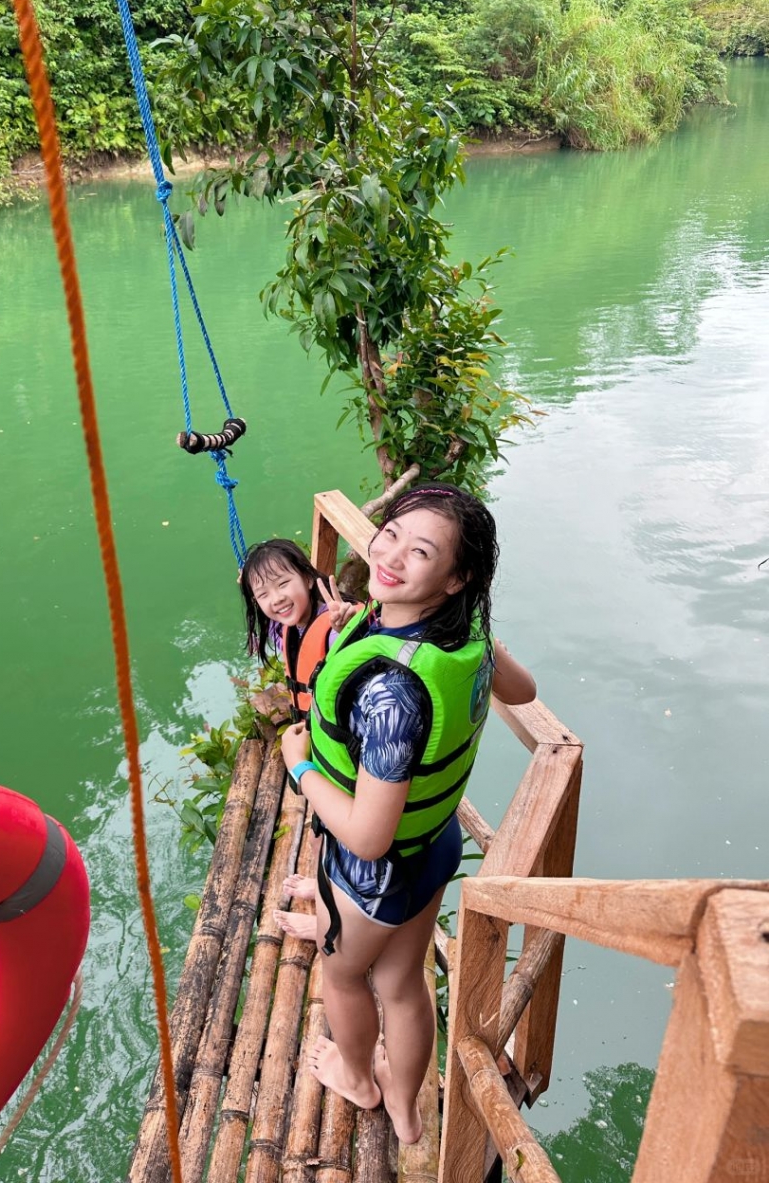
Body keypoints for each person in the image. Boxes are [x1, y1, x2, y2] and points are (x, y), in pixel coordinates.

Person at [277, 484, 535, 1144]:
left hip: (375, 871)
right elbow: (522, 690)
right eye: (389, 533)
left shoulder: (392, 694)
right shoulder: (462, 628)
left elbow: (366, 834)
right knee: (400, 980)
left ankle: (361, 1079)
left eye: (419, 551)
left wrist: (301, 765)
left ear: (455, 578)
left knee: (344, 975)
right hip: (434, 846)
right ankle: (407, 1110)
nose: (388, 554)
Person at [239, 538, 359, 722]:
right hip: (315, 725)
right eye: (263, 594)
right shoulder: (288, 629)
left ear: (308, 579)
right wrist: (247, 583)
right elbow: (273, 626)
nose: (276, 599)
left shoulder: (334, 627)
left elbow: (357, 655)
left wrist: (348, 631)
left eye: (282, 584)